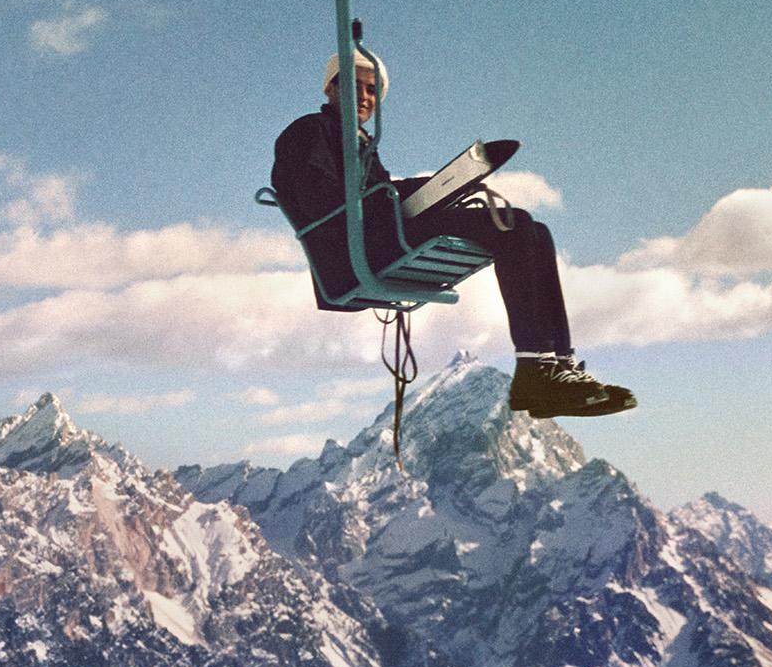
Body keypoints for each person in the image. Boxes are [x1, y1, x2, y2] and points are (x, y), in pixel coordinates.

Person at [271, 48, 635, 419]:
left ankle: (557, 362)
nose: (363, 97)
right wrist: (396, 197)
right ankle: (534, 369)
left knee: (534, 230)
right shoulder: (309, 132)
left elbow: (373, 195)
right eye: (353, 86)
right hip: (357, 250)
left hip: (380, 235)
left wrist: (434, 188)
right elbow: (322, 200)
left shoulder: (361, 144)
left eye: (371, 90)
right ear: (331, 89)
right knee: (510, 222)